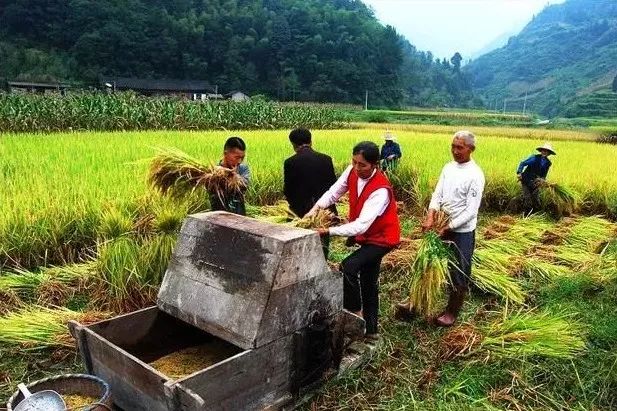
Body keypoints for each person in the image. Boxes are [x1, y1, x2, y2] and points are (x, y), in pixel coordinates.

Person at [307, 141, 401, 341]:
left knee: (348, 266)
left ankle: (355, 314)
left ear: (375, 165)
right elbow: (334, 193)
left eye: (363, 165)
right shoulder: (352, 171)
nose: (357, 168)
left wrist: (327, 231)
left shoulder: (380, 190)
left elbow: (361, 225)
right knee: (369, 281)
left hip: (382, 238)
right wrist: (314, 209)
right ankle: (372, 330)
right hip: (367, 236)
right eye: (354, 162)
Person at [422, 131, 485, 327]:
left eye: (460, 147)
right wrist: (431, 215)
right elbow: (437, 194)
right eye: (453, 146)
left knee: (459, 272)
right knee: (426, 264)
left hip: (461, 232)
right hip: (441, 225)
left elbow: (471, 211)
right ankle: (417, 301)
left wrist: (448, 227)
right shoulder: (448, 168)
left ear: (471, 149)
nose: (455, 151)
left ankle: (451, 311)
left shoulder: (475, 175)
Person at [283, 128, 337, 218]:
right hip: (327, 211)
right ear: (310, 141)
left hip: (301, 213)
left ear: (293, 144)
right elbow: (333, 184)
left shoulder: (290, 162)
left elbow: (288, 190)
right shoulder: (326, 159)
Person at [209, 136, 250, 215]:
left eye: (242, 157)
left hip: (239, 218)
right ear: (225, 153)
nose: (239, 161)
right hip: (218, 218)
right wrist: (220, 173)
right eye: (237, 157)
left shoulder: (243, 169)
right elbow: (211, 190)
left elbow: (244, 185)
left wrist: (231, 174)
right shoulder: (213, 172)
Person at [516, 143, 556, 214]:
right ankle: (525, 215)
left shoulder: (548, 163)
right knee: (528, 198)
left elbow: (544, 175)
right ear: (541, 151)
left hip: (536, 182)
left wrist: (543, 182)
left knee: (535, 198)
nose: (544, 152)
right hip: (526, 180)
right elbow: (522, 163)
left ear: (549, 153)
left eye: (546, 151)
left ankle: (535, 214)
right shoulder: (534, 158)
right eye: (543, 150)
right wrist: (519, 173)